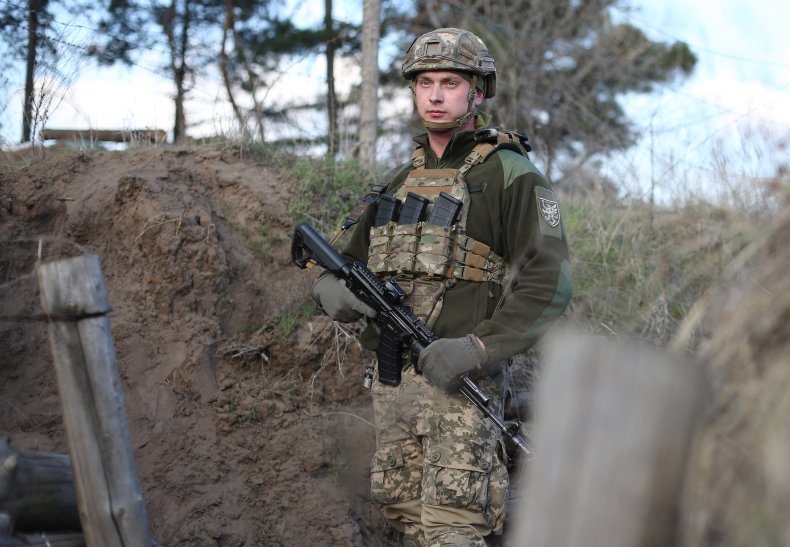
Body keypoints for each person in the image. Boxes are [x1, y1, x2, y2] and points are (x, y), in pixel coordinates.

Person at [311, 27, 572, 547]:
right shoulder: (394, 182)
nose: (434, 95)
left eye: (450, 82)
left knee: (455, 531)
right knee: (404, 520)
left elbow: (551, 282)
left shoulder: (510, 174)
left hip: (462, 391)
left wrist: (478, 347)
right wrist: (331, 293)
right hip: (393, 389)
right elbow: (336, 263)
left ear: (477, 92)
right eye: (424, 82)